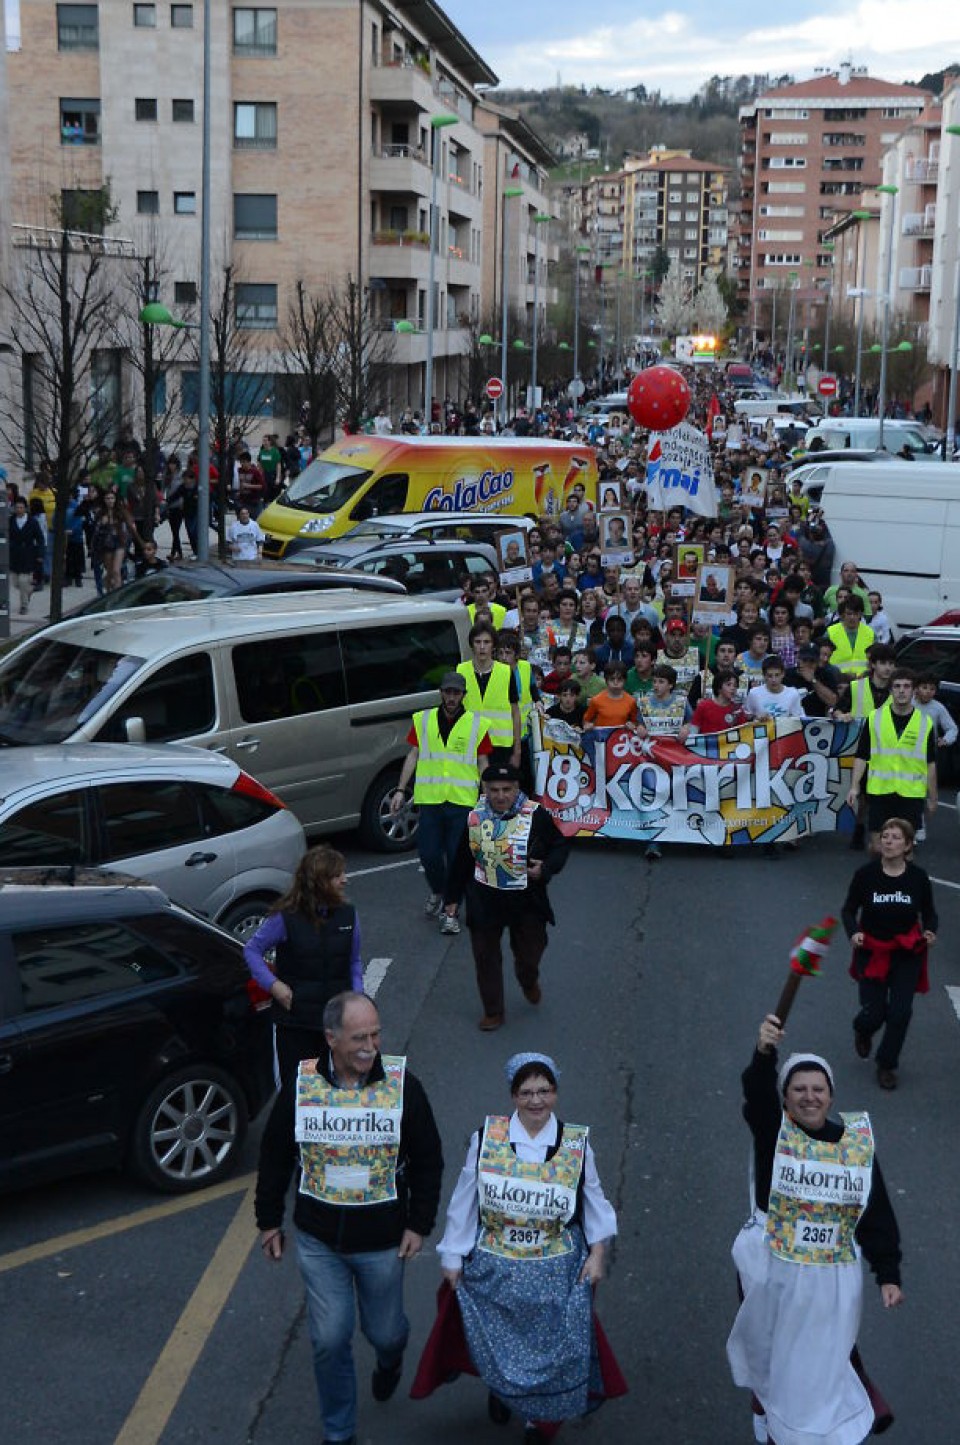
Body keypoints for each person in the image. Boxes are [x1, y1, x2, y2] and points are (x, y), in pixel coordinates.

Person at [255, 991, 444, 1445]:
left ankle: (390, 1359)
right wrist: (269, 1221)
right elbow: (275, 1155)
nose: (370, 1046)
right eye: (359, 1037)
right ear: (330, 1039)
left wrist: (419, 1224)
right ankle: (339, 1432)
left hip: (382, 1243)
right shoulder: (302, 1086)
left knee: (386, 1332)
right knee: (329, 1338)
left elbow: (429, 1159)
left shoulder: (403, 1086)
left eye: (376, 1034)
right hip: (320, 1243)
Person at [412, 1052, 625, 1441]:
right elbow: (466, 1200)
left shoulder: (576, 1145)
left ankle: (536, 1419)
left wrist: (597, 1254)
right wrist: (453, 1255)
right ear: (513, 1096)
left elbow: (594, 1201)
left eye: (545, 1090)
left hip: (555, 1271)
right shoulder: (486, 1139)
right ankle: (502, 1389)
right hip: (497, 1269)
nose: (536, 1101)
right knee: (501, 1343)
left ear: (556, 1093)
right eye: (526, 1092)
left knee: (550, 1349)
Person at [727, 1015, 903, 1445]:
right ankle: (775, 1419)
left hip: (831, 1281)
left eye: (818, 1089)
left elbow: (875, 1209)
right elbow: (756, 1095)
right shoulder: (775, 1134)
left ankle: (807, 1430)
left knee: (819, 1363)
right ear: (785, 1100)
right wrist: (764, 1051)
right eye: (799, 1090)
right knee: (776, 1358)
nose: (809, 1097)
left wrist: (888, 1272)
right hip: (775, 1273)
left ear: (831, 1097)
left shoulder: (855, 1148)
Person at [441, 763, 569, 1031]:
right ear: (485, 790)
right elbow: (462, 859)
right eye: (494, 790)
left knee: (529, 954)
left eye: (506, 790)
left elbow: (559, 847)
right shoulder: (474, 817)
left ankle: (528, 979)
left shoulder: (536, 815)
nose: (500, 796)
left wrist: (544, 869)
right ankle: (493, 1011)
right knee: (485, 956)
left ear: (517, 789)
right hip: (484, 898)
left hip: (526, 900)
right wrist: (452, 898)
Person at [244, 845, 364, 1086]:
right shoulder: (285, 917)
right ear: (320, 882)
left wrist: (357, 999)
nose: (345, 880)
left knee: (337, 1086)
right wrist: (274, 986)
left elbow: (353, 961)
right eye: (337, 875)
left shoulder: (349, 915)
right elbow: (252, 950)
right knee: (297, 1090)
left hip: (335, 1023)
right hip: (296, 1024)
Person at [391, 671, 492, 932]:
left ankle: (451, 910)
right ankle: (439, 890)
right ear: (441, 693)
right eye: (447, 692)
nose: (451, 697)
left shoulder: (476, 724)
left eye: (456, 693)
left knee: (457, 858)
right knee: (428, 855)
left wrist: (488, 796)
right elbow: (413, 755)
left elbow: (483, 762)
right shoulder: (423, 720)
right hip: (431, 800)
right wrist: (401, 790)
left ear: (463, 695)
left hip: (462, 802)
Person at [842, 817, 937, 1090]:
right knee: (874, 1014)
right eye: (885, 836)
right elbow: (848, 909)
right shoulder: (865, 875)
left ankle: (886, 1064)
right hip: (872, 951)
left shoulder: (918, 878)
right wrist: (854, 933)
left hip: (906, 953)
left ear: (908, 845)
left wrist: (930, 931)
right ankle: (862, 1029)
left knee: (900, 1012)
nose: (888, 841)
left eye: (895, 838)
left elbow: (929, 913)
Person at [846, 669, 937, 851]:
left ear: (914, 691)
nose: (902, 691)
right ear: (891, 691)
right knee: (878, 847)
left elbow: (930, 763)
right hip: (880, 792)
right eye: (897, 686)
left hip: (911, 795)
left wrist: (933, 796)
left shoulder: (925, 723)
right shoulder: (874, 718)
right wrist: (855, 786)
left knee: (905, 849)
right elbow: (862, 755)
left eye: (906, 686)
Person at [458, 622, 521, 767]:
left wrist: (517, 750)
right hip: (470, 743)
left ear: (493, 646)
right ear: (471, 645)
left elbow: (515, 712)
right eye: (477, 642)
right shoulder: (461, 671)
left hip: (500, 746)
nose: (482, 647)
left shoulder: (505, 672)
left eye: (486, 642)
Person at [7, 495, 45, 615]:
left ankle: (24, 606)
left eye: (21, 507)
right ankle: (30, 590)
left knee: (23, 581)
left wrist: (40, 554)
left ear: (25, 508)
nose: (19, 510)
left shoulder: (32, 522)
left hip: (28, 554)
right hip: (13, 555)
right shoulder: (10, 520)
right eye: (17, 507)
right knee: (15, 582)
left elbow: (40, 538)